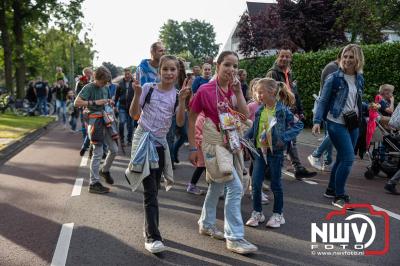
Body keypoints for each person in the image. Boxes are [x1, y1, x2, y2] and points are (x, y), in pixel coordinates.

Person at [188, 51, 257, 255]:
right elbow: (191, 118)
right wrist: (193, 147)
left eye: (235, 66)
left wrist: (238, 93)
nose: (232, 70)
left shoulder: (233, 89)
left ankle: (206, 223)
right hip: (213, 146)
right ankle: (234, 237)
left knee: (216, 186)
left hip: (228, 145)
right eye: (227, 65)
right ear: (218, 65)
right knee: (235, 187)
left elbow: (244, 115)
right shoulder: (205, 89)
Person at [125, 55, 190, 253]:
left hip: (161, 144)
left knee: (155, 190)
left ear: (178, 73)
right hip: (143, 141)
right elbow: (134, 115)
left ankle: (149, 227)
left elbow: (179, 123)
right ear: (159, 71)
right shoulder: (147, 89)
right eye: (166, 69)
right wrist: (136, 95)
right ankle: (152, 236)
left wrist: (181, 101)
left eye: (173, 70)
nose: (169, 73)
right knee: (150, 191)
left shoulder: (178, 94)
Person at [312, 44, 365, 209]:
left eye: (351, 57)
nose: (348, 60)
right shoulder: (334, 78)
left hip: (353, 122)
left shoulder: (359, 78)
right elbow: (323, 100)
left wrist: (366, 108)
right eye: (345, 56)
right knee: (348, 159)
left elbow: (354, 100)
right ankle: (339, 196)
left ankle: (331, 189)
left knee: (342, 158)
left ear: (358, 59)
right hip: (336, 123)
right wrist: (316, 121)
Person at [245, 79, 303, 228]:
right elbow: (254, 129)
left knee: (275, 185)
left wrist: (284, 137)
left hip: (275, 154)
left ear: (271, 92)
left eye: (260, 92)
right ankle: (257, 213)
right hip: (259, 152)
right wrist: (243, 138)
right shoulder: (259, 110)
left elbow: (299, 124)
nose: (257, 96)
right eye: (257, 93)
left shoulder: (282, 110)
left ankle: (278, 214)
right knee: (256, 184)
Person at [266, 49, 316, 179]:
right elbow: (271, 94)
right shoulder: (273, 73)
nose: (284, 59)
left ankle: (297, 168)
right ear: (278, 57)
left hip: (288, 110)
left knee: (290, 140)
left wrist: (299, 110)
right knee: (280, 140)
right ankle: (268, 169)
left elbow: (294, 94)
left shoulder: (288, 73)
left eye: (287, 57)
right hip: (279, 111)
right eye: (282, 56)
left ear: (291, 59)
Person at [74, 66, 118, 194]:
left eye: (106, 82)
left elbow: (105, 101)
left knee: (114, 150)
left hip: (106, 120)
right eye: (103, 82)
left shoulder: (105, 87)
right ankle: (94, 183)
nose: (105, 84)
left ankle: (104, 170)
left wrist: (109, 102)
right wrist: (95, 102)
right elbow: (77, 103)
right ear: (96, 78)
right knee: (98, 152)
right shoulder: (88, 87)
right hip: (94, 122)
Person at [308, 50, 342, 171]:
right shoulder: (332, 67)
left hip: (334, 107)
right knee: (333, 133)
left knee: (330, 133)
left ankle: (327, 161)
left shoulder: (334, 67)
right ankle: (316, 155)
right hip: (331, 107)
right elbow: (327, 91)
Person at [115, 68, 136, 145]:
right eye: (125, 74)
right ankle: (122, 139)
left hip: (132, 107)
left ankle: (129, 140)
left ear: (131, 74)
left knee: (130, 125)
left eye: (128, 74)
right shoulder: (120, 83)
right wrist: (114, 105)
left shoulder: (134, 83)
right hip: (122, 106)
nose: (127, 75)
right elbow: (117, 95)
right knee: (121, 123)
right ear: (123, 75)